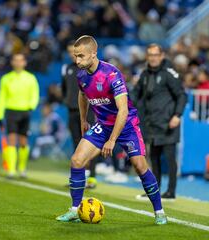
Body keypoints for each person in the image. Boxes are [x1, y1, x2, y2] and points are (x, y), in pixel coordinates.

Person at [56, 35, 167, 225]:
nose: (77, 60)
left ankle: (160, 211)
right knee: (76, 160)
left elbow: (123, 110)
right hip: (103, 125)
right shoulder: (81, 75)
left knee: (140, 167)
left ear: (93, 54)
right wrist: (84, 120)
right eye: (75, 56)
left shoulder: (111, 74)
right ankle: (75, 209)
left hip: (127, 126)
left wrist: (112, 140)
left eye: (81, 56)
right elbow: (82, 96)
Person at [133, 44, 187, 200]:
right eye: (150, 55)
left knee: (170, 158)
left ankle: (171, 191)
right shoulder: (145, 74)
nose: (153, 58)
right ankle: (154, 189)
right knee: (154, 158)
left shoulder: (169, 73)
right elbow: (136, 94)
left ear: (162, 56)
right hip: (152, 123)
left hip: (168, 122)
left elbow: (181, 95)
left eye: (155, 55)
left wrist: (177, 115)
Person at [61, 40, 98, 189]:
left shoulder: (88, 69)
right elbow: (64, 88)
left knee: (91, 143)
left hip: (88, 111)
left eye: (76, 53)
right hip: (72, 110)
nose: (73, 55)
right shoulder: (67, 68)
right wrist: (66, 100)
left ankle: (92, 177)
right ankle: (80, 177)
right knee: (77, 144)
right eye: (71, 52)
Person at [0, 53, 39, 178]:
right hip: (11, 112)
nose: (18, 62)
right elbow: (2, 98)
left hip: (25, 111)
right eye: (16, 60)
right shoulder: (6, 78)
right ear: (12, 62)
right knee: (11, 141)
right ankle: (11, 170)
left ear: (25, 63)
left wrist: (31, 106)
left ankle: (22, 168)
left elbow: (35, 94)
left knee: (24, 142)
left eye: (21, 60)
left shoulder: (31, 78)